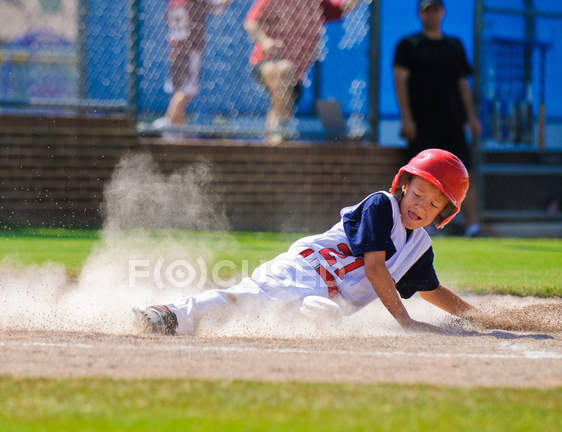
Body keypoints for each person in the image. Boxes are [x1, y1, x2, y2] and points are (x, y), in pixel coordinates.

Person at [140, 148, 489, 335]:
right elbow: (375, 268)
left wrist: (480, 318)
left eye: (433, 204)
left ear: (445, 213)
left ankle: (300, 319)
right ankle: (171, 314)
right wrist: (405, 320)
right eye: (418, 193)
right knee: (254, 298)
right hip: (305, 270)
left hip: (325, 297)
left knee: (311, 319)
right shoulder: (381, 205)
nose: (421, 206)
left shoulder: (419, 247)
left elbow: (430, 289)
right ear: (404, 185)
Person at [393, 0, 483, 237]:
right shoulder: (409, 45)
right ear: (420, 14)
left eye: (435, 9)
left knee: (466, 172)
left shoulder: (454, 45)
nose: (431, 14)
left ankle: (473, 226)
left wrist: (471, 117)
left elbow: (463, 84)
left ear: (442, 12)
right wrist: (406, 118)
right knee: (420, 177)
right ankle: (415, 226)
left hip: (452, 122)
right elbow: (400, 81)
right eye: (426, 10)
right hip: (422, 123)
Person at [244, 0, 361, 145]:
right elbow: (251, 22)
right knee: (281, 70)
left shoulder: (317, 3)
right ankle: (279, 130)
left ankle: (276, 133)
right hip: (267, 62)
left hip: (297, 73)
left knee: (286, 78)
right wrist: (265, 41)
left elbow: (344, 7)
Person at [153, 0, 232, 136]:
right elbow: (216, 8)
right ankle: (168, 125)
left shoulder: (174, 2)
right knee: (186, 92)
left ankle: (176, 134)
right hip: (189, 50)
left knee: (179, 91)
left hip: (175, 49)